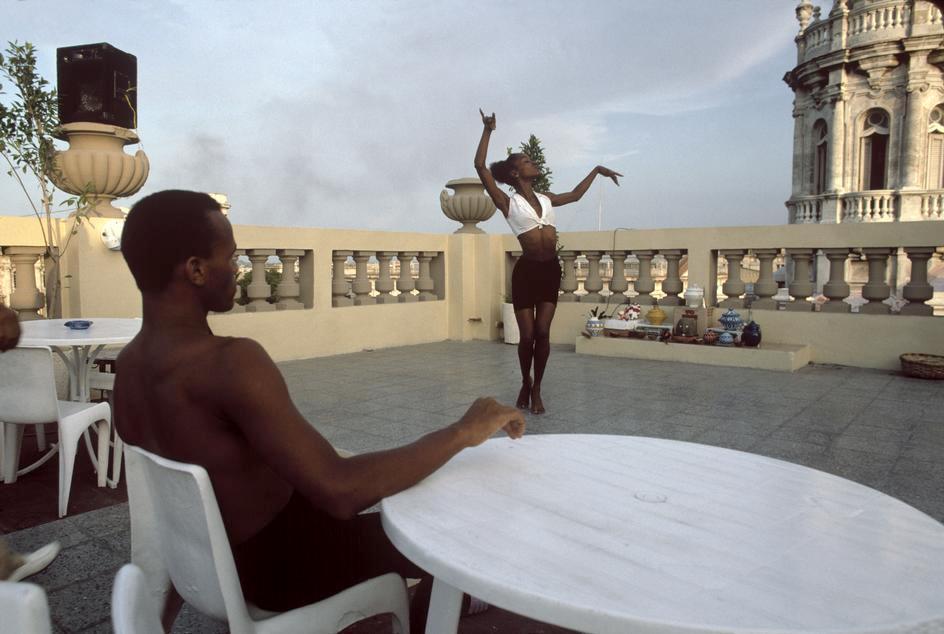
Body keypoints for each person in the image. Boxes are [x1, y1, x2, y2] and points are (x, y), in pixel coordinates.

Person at [112, 190, 526, 633]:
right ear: (195, 269)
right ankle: (442, 604)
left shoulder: (129, 367)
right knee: (445, 538)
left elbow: (240, 470)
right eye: (229, 257)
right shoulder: (229, 362)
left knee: (412, 485)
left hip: (213, 564)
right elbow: (340, 492)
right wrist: (463, 431)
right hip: (285, 567)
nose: (237, 269)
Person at [474, 109, 622, 414]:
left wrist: (597, 170)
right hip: (526, 272)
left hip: (550, 270)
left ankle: (537, 387)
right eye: (527, 161)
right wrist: (488, 130)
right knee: (526, 335)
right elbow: (480, 166)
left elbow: (576, 195)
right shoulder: (507, 202)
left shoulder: (545, 198)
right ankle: (524, 382)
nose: (533, 163)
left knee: (543, 332)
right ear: (515, 173)